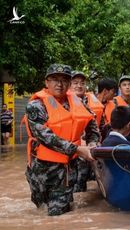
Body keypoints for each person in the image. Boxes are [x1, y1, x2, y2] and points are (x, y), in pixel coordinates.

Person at [24, 64, 99, 216]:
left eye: (64, 80)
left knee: (59, 213)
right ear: (47, 82)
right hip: (42, 170)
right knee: (41, 211)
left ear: (69, 83)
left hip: (66, 170)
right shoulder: (36, 106)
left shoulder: (78, 102)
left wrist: (92, 143)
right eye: (55, 79)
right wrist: (78, 150)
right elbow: (45, 137)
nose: (59, 84)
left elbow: (92, 125)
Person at [69, 71, 102, 192]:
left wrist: (93, 143)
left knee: (80, 191)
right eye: (75, 83)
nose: (79, 86)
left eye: (82, 83)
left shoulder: (86, 105)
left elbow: (94, 130)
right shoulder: (61, 104)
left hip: (84, 155)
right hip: (65, 155)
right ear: (69, 85)